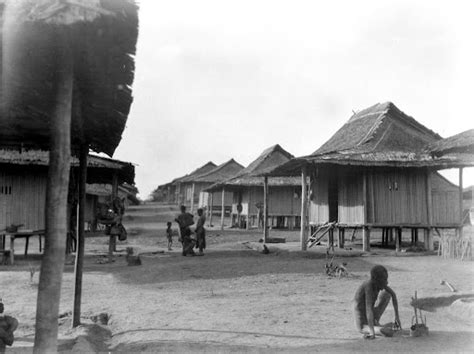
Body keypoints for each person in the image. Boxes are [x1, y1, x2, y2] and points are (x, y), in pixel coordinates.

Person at [353, 265, 401, 339]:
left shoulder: (378, 283)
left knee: (387, 294)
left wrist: (397, 317)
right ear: (376, 280)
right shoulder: (368, 286)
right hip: (363, 324)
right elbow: (368, 309)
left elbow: (393, 294)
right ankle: (376, 327)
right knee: (388, 332)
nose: (387, 282)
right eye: (384, 280)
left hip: (371, 318)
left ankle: (377, 324)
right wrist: (372, 333)